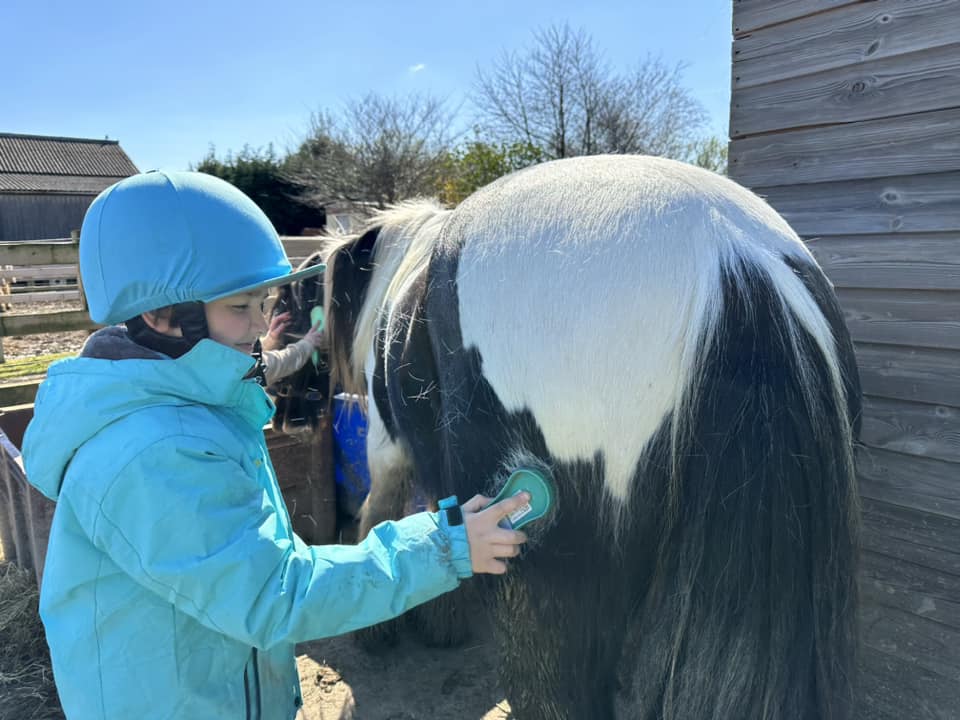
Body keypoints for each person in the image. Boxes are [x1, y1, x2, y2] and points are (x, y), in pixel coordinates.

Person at [21, 170, 529, 720]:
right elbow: (277, 594)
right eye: (241, 308)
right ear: (163, 317)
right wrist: (445, 547)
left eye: (263, 303)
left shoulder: (190, 398)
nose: (260, 324)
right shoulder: (154, 453)